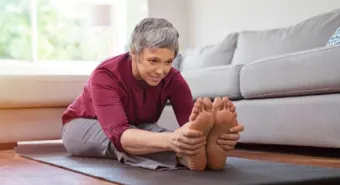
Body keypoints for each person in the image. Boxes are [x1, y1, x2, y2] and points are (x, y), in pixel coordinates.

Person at [61, 17, 244, 171]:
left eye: (168, 62)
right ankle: (182, 157)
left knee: (156, 133)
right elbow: (119, 134)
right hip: (82, 126)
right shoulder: (105, 75)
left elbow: (191, 126)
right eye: (153, 61)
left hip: (135, 126)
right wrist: (172, 140)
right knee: (126, 141)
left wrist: (213, 135)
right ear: (134, 54)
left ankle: (195, 154)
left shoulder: (173, 79)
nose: (161, 71)